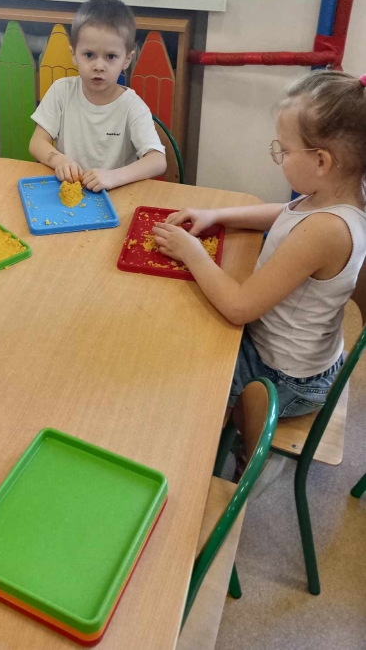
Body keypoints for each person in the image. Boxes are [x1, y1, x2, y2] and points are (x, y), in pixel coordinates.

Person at [153, 70, 366, 418]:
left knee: (173, 367)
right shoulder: (336, 194)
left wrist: (192, 252)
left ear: (321, 161)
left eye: (284, 150)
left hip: (283, 377)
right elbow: (286, 213)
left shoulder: (327, 229)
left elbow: (239, 307)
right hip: (289, 353)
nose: (278, 156)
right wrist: (217, 215)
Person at [29, 0, 167, 191]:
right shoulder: (61, 91)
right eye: (89, 55)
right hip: (69, 191)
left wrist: (114, 177)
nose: (99, 66)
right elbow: (37, 142)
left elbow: (158, 161)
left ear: (127, 59)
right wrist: (60, 161)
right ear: (74, 54)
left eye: (110, 56)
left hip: (116, 194)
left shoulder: (132, 106)